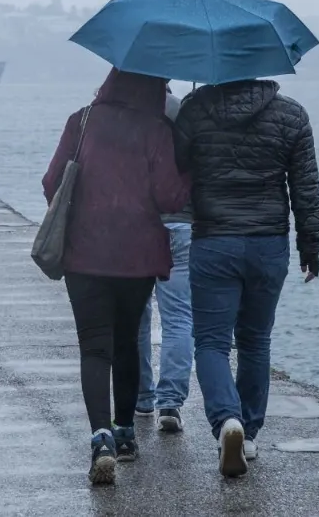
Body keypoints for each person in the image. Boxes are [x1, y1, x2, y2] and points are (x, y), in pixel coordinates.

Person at [42, 69, 188, 485]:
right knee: (126, 342)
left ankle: (100, 437)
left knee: (94, 347)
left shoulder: (82, 120)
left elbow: (52, 181)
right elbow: (169, 197)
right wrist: (190, 170)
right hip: (137, 257)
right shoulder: (156, 129)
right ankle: (125, 435)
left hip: (85, 254)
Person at [174, 78, 319, 478]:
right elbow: (305, 187)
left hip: (214, 241)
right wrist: (310, 247)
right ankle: (250, 432)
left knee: (211, 341)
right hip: (267, 243)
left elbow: (176, 168)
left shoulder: (195, 108)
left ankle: (227, 421)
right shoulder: (291, 114)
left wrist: (194, 113)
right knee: (256, 340)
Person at [135, 85, 195, 433]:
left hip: (138, 226)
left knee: (137, 316)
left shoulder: (124, 114)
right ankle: (169, 403)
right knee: (178, 318)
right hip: (182, 222)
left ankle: (143, 396)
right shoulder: (184, 112)